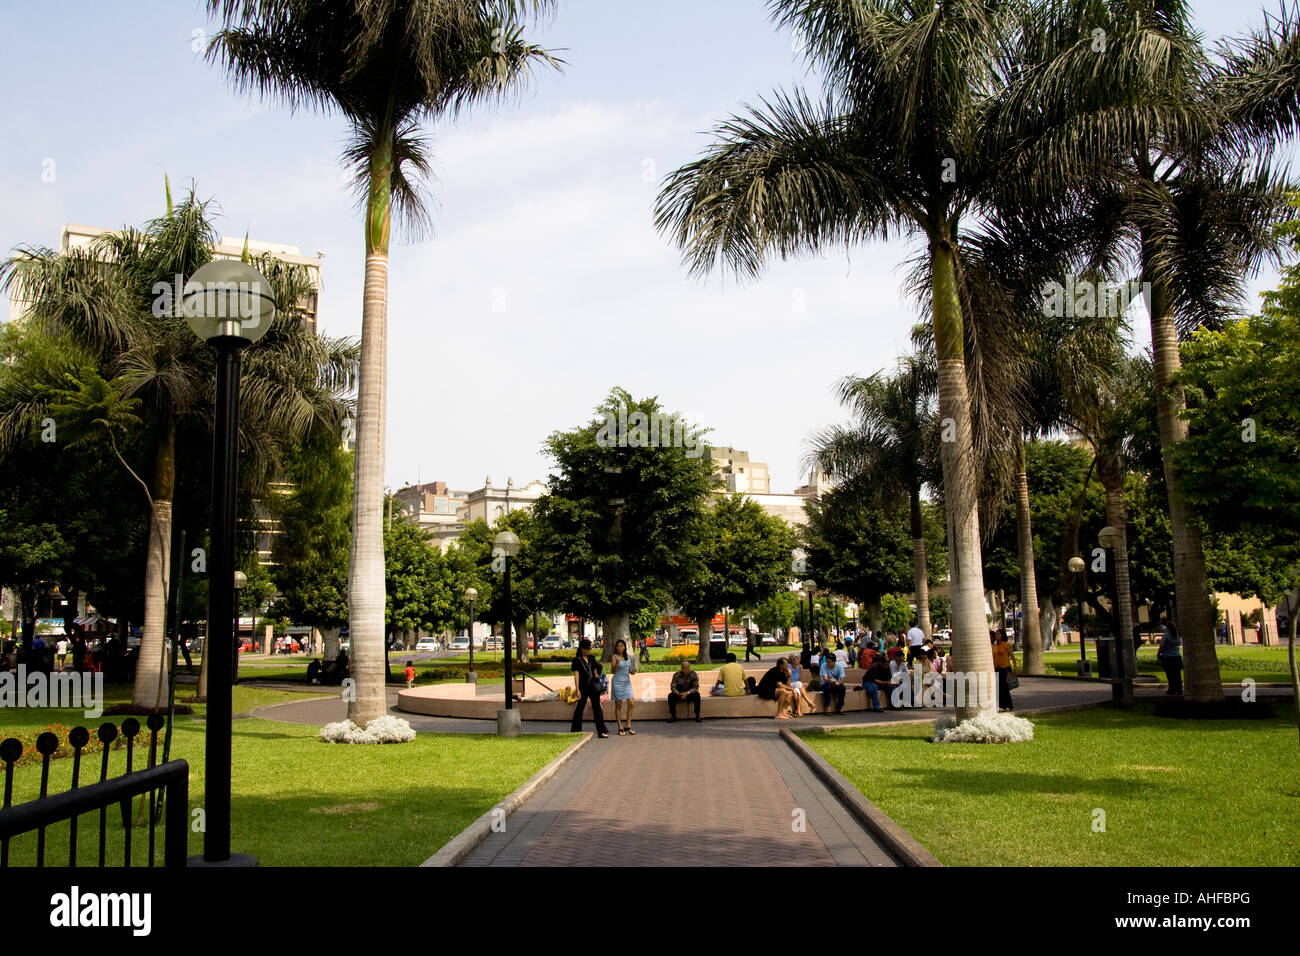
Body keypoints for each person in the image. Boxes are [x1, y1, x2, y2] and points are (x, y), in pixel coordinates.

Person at [570, 639, 610, 736]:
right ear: (582, 649)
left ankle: (601, 731)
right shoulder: (576, 660)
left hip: (593, 686)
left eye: (589, 649)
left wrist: (596, 679)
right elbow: (576, 674)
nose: (588, 651)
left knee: (597, 708)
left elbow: (596, 670)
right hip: (583, 687)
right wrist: (577, 689)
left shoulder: (592, 658)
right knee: (580, 708)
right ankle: (575, 730)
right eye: (587, 649)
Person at [610, 638, 636, 735]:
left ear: (625, 647)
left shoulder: (628, 656)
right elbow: (612, 671)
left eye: (621, 646)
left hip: (626, 682)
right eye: (618, 646)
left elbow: (629, 669)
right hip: (617, 682)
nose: (619, 648)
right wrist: (616, 664)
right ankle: (620, 726)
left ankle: (628, 724)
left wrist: (632, 671)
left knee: (631, 702)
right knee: (618, 704)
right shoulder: (614, 657)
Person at [991, 630, 1016, 711]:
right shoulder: (994, 646)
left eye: (998, 634)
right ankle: (1002, 705)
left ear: (1002, 635)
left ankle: (1009, 705)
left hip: (1005, 668)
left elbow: (1012, 656)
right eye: (996, 634)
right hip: (996, 668)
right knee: (998, 687)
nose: (996, 636)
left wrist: (1014, 668)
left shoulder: (1006, 645)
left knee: (1004, 686)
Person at [1157, 622, 1183, 695]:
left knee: (1170, 674)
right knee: (1177, 674)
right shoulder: (1176, 636)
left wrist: (1158, 654)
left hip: (1168, 657)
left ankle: (1172, 689)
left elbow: (1162, 646)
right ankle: (1179, 689)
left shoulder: (1165, 636)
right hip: (1176, 656)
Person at [819, 650, 847, 714]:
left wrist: (838, 683)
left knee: (842, 688)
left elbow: (843, 679)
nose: (827, 663)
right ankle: (827, 707)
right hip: (826, 684)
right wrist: (830, 680)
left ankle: (840, 706)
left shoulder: (839, 667)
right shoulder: (823, 666)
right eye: (827, 661)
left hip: (836, 684)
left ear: (834, 662)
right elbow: (825, 678)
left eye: (829, 662)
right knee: (827, 686)